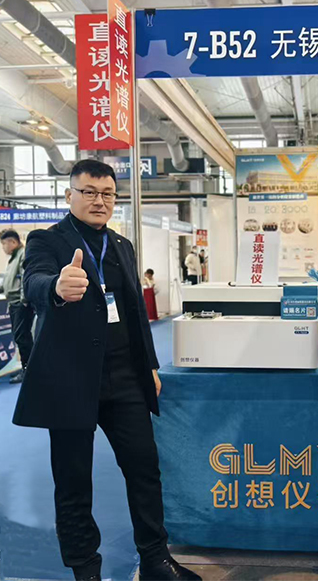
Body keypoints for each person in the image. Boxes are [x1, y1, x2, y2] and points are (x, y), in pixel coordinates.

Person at [13, 159, 201, 581]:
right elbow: (34, 283)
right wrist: (56, 287)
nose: (99, 201)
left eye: (108, 194)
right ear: (70, 195)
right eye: (89, 192)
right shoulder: (46, 240)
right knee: (74, 481)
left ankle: (155, 558)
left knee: (144, 469)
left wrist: (149, 365)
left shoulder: (121, 245)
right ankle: (86, 569)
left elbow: (134, 311)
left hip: (125, 377)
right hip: (70, 381)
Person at [0, 229, 34, 384]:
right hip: (14, 303)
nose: (3, 248)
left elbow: (25, 279)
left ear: (13, 242)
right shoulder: (13, 258)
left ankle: (28, 371)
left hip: (20, 304)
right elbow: (10, 281)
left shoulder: (22, 254)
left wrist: (23, 302)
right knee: (20, 338)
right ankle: (27, 368)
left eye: (3, 244)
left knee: (23, 338)